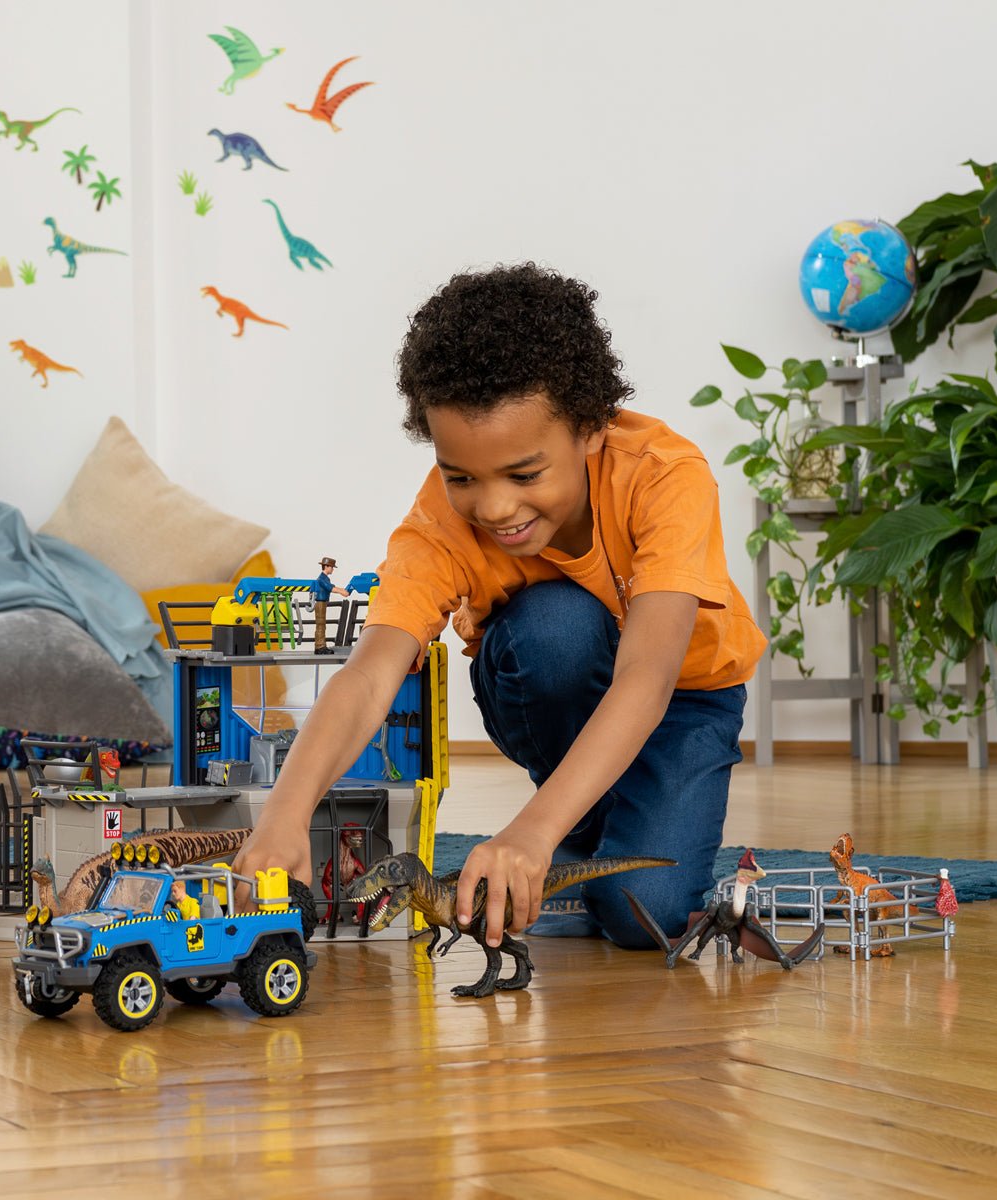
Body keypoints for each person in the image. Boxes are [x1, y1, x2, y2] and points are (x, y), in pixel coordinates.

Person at [232, 263, 766, 954]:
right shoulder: (437, 526)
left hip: (687, 698)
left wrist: (531, 831)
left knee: (646, 916)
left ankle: (566, 826)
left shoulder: (663, 475)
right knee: (555, 627)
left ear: (589, 429)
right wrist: (285, 812)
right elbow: (369, 674)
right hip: (560, 685)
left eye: (524, 474)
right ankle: (580, 817)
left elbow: (649, 676)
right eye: (460, 476)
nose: (494, 507)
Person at [310, 557, 350, 653]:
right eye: (331, 567)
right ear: (326, 566)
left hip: (322, 603)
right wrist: (342, 592)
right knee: (320, 624)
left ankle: (321, 645)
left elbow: (331, 586)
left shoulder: (325, 578)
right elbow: (330, 588)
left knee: (322, 625)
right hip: (320, 603)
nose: (332, 569)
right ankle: (320, 647)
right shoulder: (321, 579)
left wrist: (342, 590)